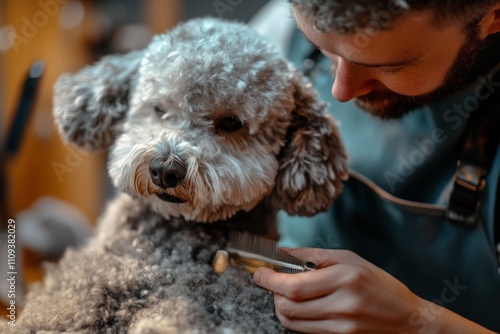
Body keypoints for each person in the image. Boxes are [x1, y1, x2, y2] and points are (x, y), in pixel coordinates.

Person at [250, 1, 500, 333]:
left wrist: (417, 322)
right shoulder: (283, 25)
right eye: (321, 48)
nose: (342, 90)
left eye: (391, 67)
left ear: (493, 16)